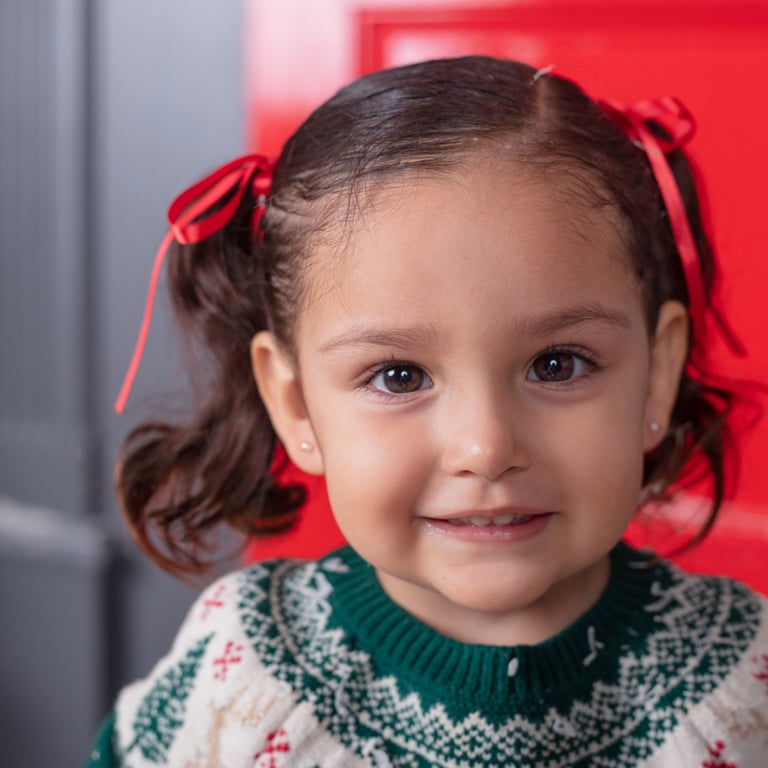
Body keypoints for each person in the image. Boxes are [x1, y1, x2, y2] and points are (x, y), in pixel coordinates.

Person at [87, 56, 768, 767]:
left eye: (557, 363)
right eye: (399, 375)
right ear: (294, 405)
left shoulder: (746, 683)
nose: (486, 445)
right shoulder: (241, 671)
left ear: (656, 376)